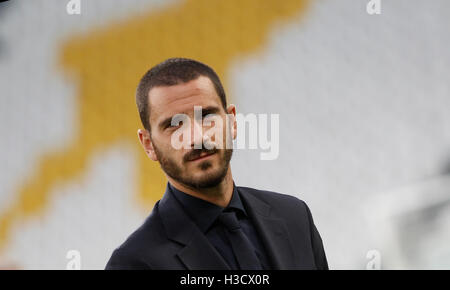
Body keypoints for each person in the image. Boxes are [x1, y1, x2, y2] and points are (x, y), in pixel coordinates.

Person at [105, 58, 328, 270]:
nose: (198, 137)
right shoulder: (134, 263)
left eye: (207, 116)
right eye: (174, 125)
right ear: (148, 144)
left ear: (231, 121)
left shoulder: (294, 216)